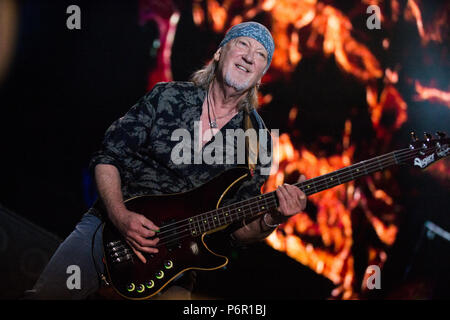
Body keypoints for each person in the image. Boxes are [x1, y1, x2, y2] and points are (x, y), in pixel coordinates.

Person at [24, 21, 307, 300]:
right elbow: (107, 157)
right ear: (220, 53)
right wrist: (121, 217)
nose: (249, 56)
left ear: (260, 77)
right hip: (110, 230)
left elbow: (238, 232)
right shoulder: (167, 95)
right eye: (243, 44)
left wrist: (273, 218)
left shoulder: (258, 142)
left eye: (260, 55)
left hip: (175, 267)